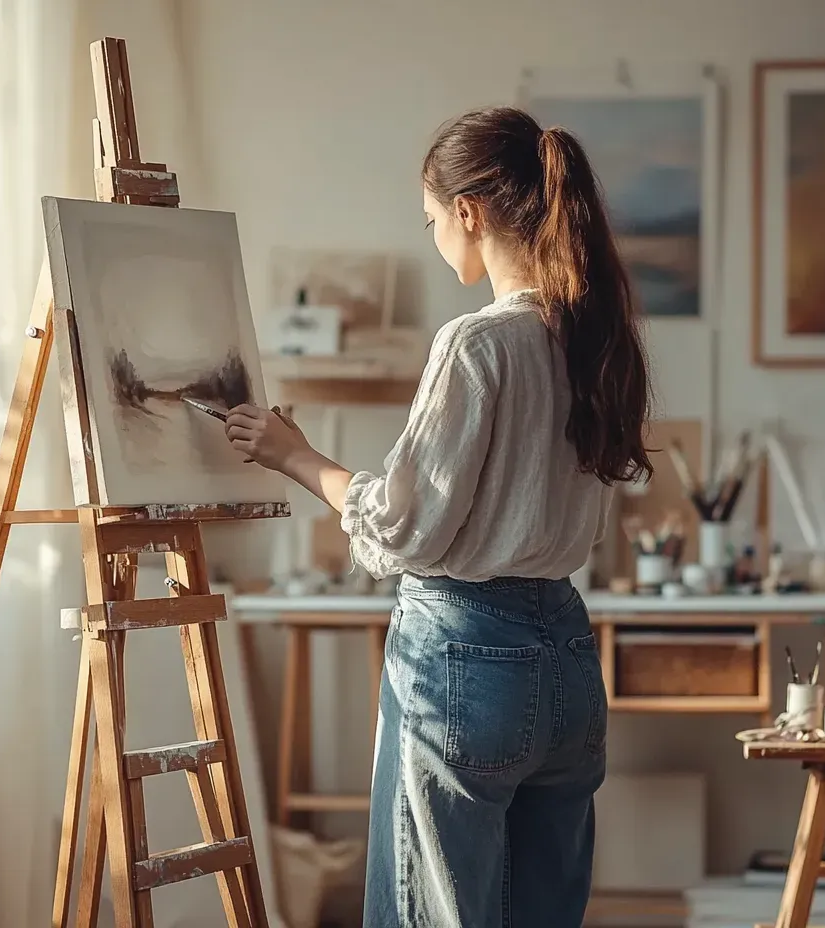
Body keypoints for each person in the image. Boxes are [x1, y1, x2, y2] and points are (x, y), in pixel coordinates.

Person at [225, 105, 652, 927]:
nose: (433, 237)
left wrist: (295, 455)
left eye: (431, 220)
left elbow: (399, 528)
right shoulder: (595, 336)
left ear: (469, 212)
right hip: (566, 654)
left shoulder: (477, 343)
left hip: (465, 658)